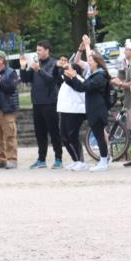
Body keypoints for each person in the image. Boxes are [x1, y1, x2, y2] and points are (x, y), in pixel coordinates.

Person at [63, 50, 112, 172]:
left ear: (97, 63)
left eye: (90, 61)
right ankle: (103, 160)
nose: (88, 63)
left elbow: (85, 86)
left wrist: (74, 77)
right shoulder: (93, 75)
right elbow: (80, 88)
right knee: (97, 135)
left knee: (99, 136)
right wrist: (70, 77)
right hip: (92, 109)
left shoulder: (100, 76)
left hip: (98, 109)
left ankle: (104, 161)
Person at [19, 40, 64, 169]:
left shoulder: (54, 63)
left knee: (54, 132)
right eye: (37, 50)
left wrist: (39, 70)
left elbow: (51, 80)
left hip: (50, 102)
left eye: (39, 50)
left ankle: (58, 159)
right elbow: (25, 79)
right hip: (37, 103)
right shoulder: (36, 63)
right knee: (40, 133)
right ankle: (41, 159)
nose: (37, 52)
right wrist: (23, 66)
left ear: (47, 50)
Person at [55, 42, 88, 170]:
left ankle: (80, 161)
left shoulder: (77, 80)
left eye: (70, 69)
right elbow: (59, 75)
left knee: (72, 136)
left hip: (75, 112)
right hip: (65, 111)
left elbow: (70, 80)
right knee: (64, 136)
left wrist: (66, 69)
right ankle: (75, 159)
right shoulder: (67, 80)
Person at [0, 50, 19, 169]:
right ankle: (1, 159)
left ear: (1, 60)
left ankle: (12, 159)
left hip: (6, 110)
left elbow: (11, 88)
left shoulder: (11, 72)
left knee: (10, 135)